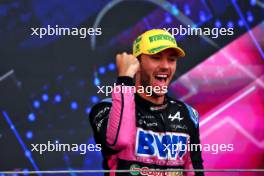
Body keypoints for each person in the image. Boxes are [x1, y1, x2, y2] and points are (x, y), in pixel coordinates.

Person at [89, 29, 204, 176]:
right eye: (156, 57)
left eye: (172, 59)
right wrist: (125, 78)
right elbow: (120, 140)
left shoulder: (187, 113)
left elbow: (194, 169)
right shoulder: (106, 108)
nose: (166, 66)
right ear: (137, 63)